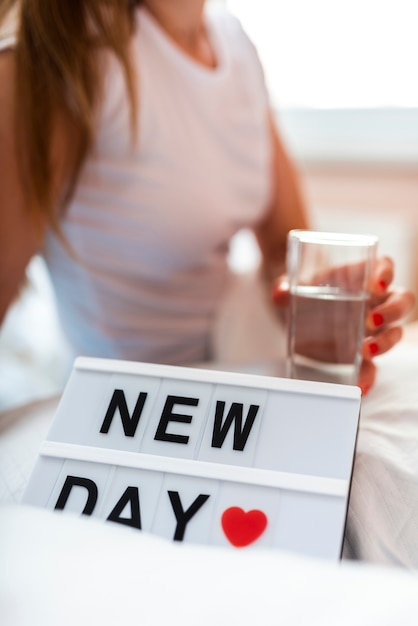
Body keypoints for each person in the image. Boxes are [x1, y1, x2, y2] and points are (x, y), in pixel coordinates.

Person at [0, 0, 414, 396]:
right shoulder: (60, 57)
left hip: (228, 386)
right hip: (124, 411)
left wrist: (311, 315)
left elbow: (281, 252)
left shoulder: (234, 44)